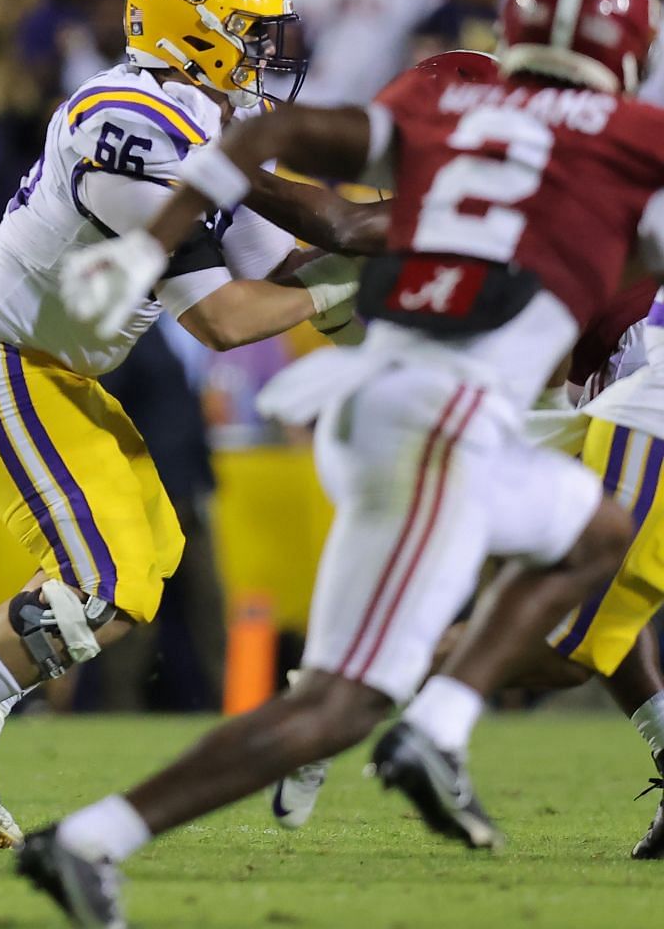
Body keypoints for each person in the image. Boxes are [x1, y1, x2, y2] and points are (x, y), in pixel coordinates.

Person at [32, 0, 660, 926]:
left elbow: (267, 154)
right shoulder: (631, 135)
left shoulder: (442, 101)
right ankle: (90, 837)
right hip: (444, 420)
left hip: (395, 401)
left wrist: (146, 248)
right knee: (338, 703)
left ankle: (439, 726)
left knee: (592, 533)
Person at [0, 0, 379, 852]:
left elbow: (286, 263)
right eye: (249, 32)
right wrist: (350, 284)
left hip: (51, 371)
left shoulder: (201, 127)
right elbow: (225, 320)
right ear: (195, 35)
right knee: (98, 584)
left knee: (145, 563)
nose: (269, 51)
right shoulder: (128, 123)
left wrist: (391, 273)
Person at [272, 281, 664, 858]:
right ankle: (330, 704)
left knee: (590, 590)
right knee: (566, 641)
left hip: (607, 385)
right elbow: (562, 285)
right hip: (638, 402)